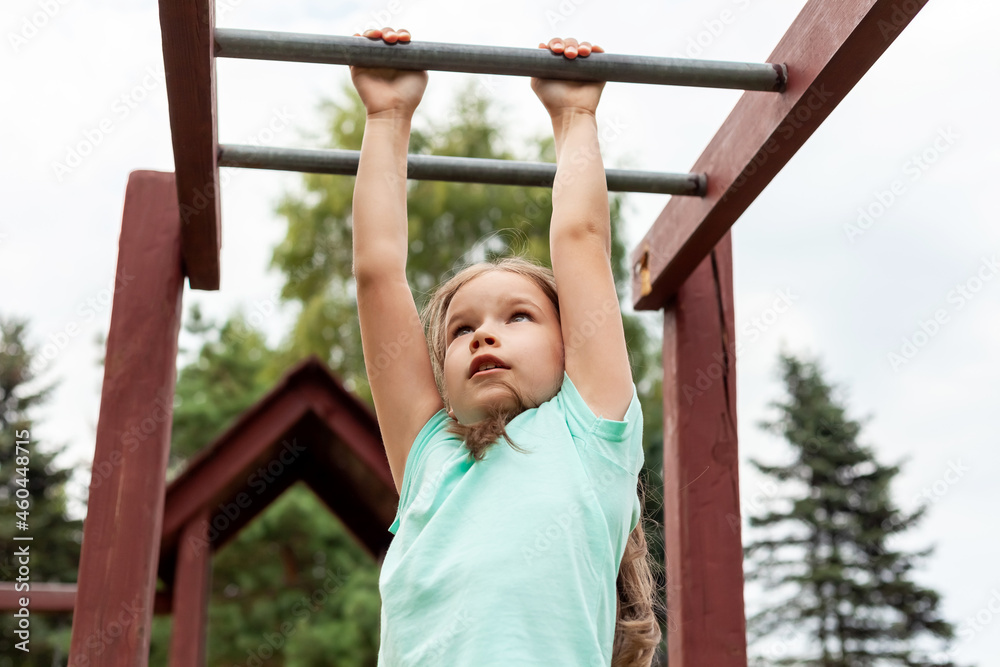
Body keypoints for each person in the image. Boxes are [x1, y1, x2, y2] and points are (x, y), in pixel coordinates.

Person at [350, 27, 662, 666]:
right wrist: (387, 115)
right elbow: (377, 273)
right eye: (461, 330)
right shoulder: (431, 459)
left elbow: (579, 237)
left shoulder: (588, 433)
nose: (484, 335)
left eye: (519, 316)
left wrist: (574, 116)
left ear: (571, 347)